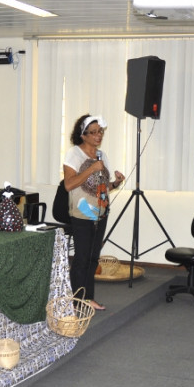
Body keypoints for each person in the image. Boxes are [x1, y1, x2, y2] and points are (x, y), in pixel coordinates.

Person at [63, 114, 125, 311]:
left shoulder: (101, 155)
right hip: (82, 214)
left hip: (101, 213)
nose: (99, 135)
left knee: (92, 258)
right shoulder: (74, 154)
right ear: (83, 135)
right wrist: (91, 169)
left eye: (100, 132)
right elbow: (69, 185)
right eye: (94, 132)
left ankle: (88, 297)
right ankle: (76, 301)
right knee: (82, 258)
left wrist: (116, 183)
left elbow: (102, 187)